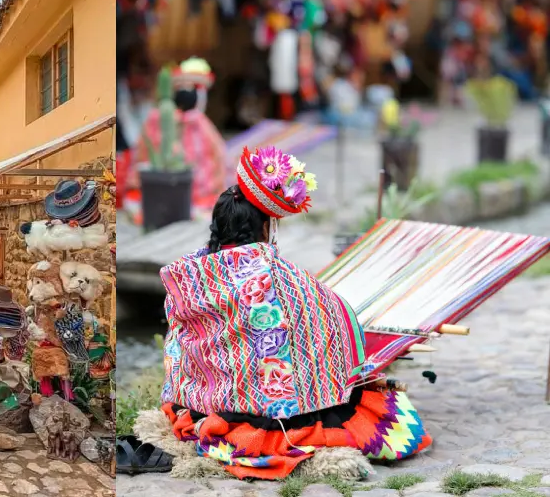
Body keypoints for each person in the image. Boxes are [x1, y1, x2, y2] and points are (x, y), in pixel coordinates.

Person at [157, 146, 431, 480]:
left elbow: (180, 340)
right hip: (271, 417)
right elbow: (335, 317)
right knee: (380, 412)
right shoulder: (280, 280)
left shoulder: (188, 276)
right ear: (267, 226)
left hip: (203, 401)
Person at [130, 58, 227, 216]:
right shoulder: (160, 119)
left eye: (196, 87)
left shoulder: (198, 123)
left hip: (196, 190)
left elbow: (217, 156)